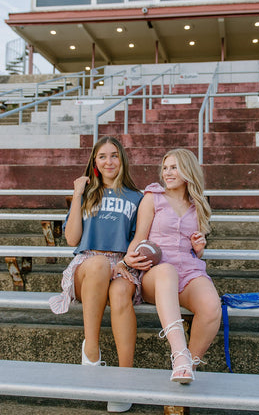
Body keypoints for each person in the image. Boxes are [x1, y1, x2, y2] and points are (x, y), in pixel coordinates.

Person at [49, 136, 149, 413]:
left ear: (122, 160)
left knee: (119, 294)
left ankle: (124, 381)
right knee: (97, 265)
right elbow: (71, 239)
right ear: (95, 162)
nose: (109, 161)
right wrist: (78, 193)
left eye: (114, 155)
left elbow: (138, 237)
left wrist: (126, 263)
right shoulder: (87, 194)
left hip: (121, 263)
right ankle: (91, 350)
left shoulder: (136, 197)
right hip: (88, 265)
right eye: (102, 156)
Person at [122, 148, 221, 383]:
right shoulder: (152, 198)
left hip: (188, 270)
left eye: (174, 167)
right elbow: (139, 237)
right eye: (165, 168)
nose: (167, 172)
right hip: (155, 273)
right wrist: (127, 259)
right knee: (166, 271)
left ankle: (187, 368)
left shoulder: (197, 205)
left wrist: (199, 247)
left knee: (211, 307)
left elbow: (196, 245)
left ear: (188, 171)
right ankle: (179, 354)